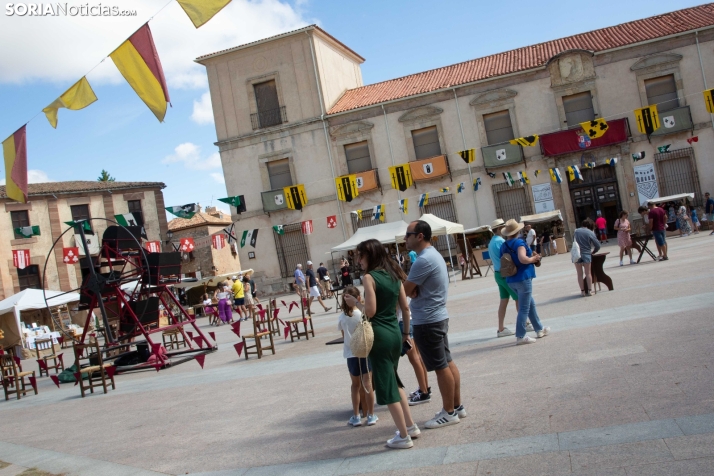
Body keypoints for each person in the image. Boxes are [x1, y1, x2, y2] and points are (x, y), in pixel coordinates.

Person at [344, 239, 420, 449]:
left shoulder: (369, 277)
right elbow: (405, 308)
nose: (358, 260)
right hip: (395, 332)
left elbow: (370, 311)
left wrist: (355, 303)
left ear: (370, 255)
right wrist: (405, 333)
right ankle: (411, 426)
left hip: (379, 335)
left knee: (387, 388)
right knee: (394, 381)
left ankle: (403, 436)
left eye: (360, 256)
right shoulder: (395, 275)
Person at [404, 220, 466, 429]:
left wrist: (410, 288)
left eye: (408, 234)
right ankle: (456, 406)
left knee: (441, 367)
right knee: (447, 362)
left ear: (419, 236)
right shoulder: (433, 256)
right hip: (437, 317)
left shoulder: (423, 260)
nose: (405, 238)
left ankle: (448, 412)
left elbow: (405, 290)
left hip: (428, 320)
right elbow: (411, 288)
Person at [500, 219, 550, 345]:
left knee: (530, 304)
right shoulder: (519, 243)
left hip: (511, 279)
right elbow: (523, 259)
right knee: (524, 308)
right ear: (518, 231)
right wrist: (534, 258)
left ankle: (539, 329)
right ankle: (520, 336)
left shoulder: (504, 245)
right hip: (523, 278)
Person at [337, 286, 376, 427]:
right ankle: (371, 415)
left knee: (355, 385)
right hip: (365, 351)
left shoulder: (342, 317)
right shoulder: (362, 313)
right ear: (358, 298)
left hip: (351, 353)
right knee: (368, 384)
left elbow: (343, 337)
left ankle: (356, 415)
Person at [487, 219, 523, 338]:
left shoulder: (491, 242)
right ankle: (524, 323)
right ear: (498, 229)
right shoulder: (501, 241)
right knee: (518, 298)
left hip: (497, 273)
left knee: (504, 300)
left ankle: (501, 328)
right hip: (505, 273)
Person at [573, 219, 601, 296]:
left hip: (577, 254)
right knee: (588, 273)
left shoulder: (576, 231)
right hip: (587, 254)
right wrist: (594, 251)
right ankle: (589, 290)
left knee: (579, 274)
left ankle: (582, 291)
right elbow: (598, 245)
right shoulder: (590, 232)